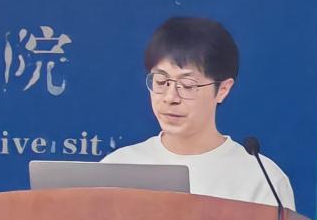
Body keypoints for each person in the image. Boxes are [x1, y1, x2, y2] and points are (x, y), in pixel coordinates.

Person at [102, 16, 294, 209]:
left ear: (223, 90)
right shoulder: (118, 167)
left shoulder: (263, 181)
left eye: (187, 85)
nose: (170, 97)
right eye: (161, 81)